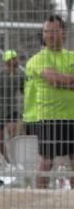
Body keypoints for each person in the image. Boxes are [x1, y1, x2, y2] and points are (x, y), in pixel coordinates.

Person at [26, 15, 74, 189]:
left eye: (54, 31)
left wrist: (62, 81)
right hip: (50, 117)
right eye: (46, 32)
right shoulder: (39, 59)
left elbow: (58, 80)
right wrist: (65, 81)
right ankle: (39, 199)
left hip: (72, 117)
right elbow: (53, 78)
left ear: (63, 32)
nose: (50, 36)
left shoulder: (71, 56)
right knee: (46, 161)